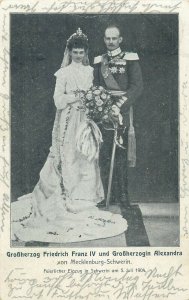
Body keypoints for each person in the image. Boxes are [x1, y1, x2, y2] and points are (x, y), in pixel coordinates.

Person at [11, 28, 127, 244]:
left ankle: (83, 200)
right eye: (75, 52)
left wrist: (93, 102)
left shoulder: (90, 71)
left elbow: (93, 93)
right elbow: (57, 100)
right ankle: (67, 197)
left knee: (86, 156)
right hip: (67, 121)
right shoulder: (62, 73)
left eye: (82, 52)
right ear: (69, 51)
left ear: (85, 52)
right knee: (68, 157)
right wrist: (77, 97)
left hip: (84, 120)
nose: (78, 56)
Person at [93, 25, 143, 208]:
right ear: (104, 39)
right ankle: (108, 195)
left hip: (122, 110)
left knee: (120, 153)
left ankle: (123, 197)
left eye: (114, 38)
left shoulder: (130, 59)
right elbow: (97, 86)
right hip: (104, 111)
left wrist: (119, 106)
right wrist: (104, 107)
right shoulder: (99, 61)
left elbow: (137, 87)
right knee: (104, 154)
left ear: (120, 39)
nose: (111, 42)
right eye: (108, 38)